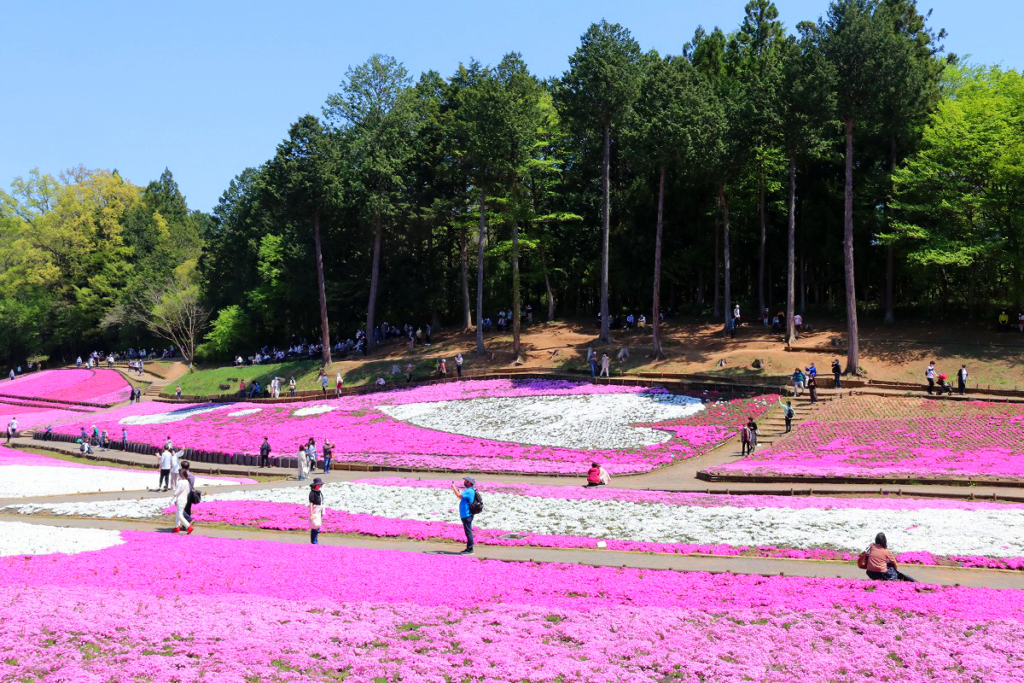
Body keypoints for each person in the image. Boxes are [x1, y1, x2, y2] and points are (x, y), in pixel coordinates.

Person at [452, 477, 477, 555]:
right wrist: (457, 489)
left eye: (466, 481)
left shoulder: (469, 491)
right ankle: (468, 548)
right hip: (466, 514)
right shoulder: (469, 490)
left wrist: (453, 487)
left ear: (469, 482)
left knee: (468, 532)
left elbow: (459, 495)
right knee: (467, 531)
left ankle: (470, 549)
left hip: (467, 514)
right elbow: (462, 496)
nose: (464, 482)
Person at [172, 461, 194, 535]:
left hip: (180, 498)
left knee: (180, 514)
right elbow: (188, 490)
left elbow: (177, 491)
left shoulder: (180, 482)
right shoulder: (188, 480)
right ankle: (176, 527)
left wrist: (173, 497)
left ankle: (188, 526)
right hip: (186, 497)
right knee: (180, 512)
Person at [309, 477, 325, 544]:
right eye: (319, 484)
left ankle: (315, 540)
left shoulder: (319, 492)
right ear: (316, 485)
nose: (321, 485)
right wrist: (312, 514)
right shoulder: (312, 493)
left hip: (319, 510)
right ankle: (314, 542)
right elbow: (311, 503)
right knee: (314, 526)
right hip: (315, 510)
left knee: (317, 526)